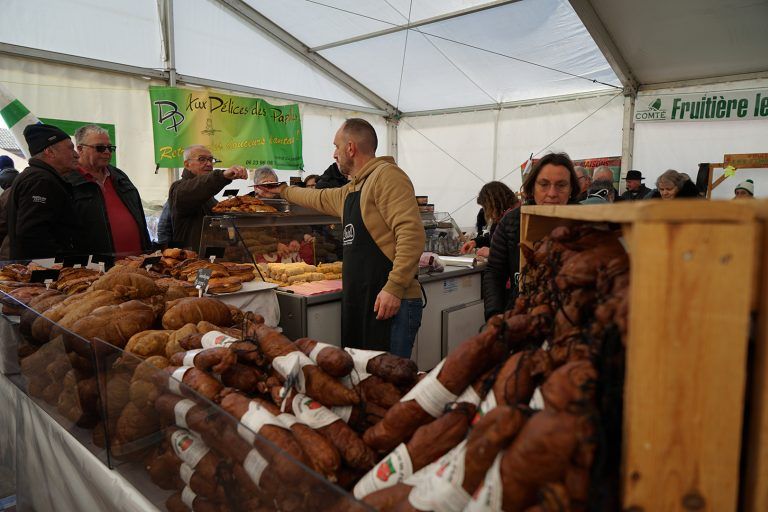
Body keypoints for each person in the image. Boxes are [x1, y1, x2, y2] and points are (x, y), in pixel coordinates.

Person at [258, 118, 424, 358]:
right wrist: (283, 191)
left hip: (390, 301)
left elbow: (411, 233)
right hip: (363, 299)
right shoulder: (353, 188)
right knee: (363, 380)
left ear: (350, 148)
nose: (334, 154)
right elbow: (320, 198)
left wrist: (395, 287)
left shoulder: (387, 177)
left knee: (389, 384)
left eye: (336, 146)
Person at [483, 152, 579, 320]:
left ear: (571, 189)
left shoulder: (585, 222)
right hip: (521, 316)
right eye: (544, 184)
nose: (552, 193)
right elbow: (494, 272)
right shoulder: (512, 221)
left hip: (571, 320)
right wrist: (494, 314)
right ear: (532, 187)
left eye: (561, 185)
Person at [63, 124, 151, 256]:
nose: (107, 152)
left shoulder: (119, 176)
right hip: (96, 268)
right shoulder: (67, 181)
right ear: (80, 149)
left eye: (110, 148)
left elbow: (139, 218)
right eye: (100, 148)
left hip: (136, 263)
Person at [7, 124, 84, 259]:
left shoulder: (39, 178)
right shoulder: (40, 181)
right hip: (45, 273)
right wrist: (57, 267)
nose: (76, 155)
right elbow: (32, 235)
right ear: (50, 152)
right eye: (70, 148)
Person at [168, 145, 247, 250]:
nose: (209, 164)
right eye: (202, 159)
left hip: (211, 256)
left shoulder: (208, 194)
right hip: (191, 258)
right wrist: (222, 176)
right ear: (187, 164)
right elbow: (197, 187)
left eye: (211, 159)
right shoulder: (179, 188)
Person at [461, 181, 519, 258]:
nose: (487, 212)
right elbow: (497, 239)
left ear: (494, 203)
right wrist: (475, 242)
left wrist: (491, 252)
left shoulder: (516, 218)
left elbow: (516, 252)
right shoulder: (503, 217)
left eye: (486, 207)